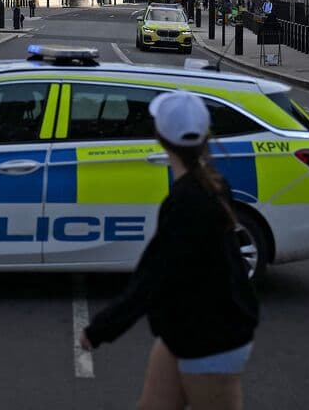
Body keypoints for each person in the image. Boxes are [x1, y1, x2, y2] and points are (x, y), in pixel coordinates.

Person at [80, 90, 258, 410]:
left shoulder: (188, 201)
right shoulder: (212, 185)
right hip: (185, 328)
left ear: (159, 137)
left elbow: (153, 276)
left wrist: (100, 329)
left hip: (212, 338)